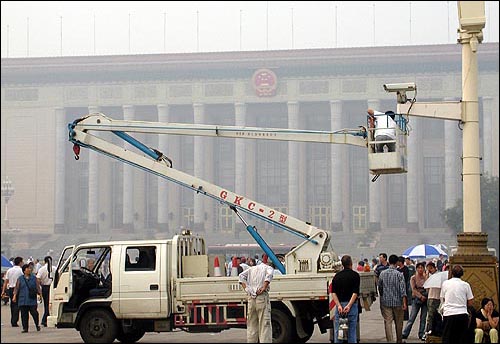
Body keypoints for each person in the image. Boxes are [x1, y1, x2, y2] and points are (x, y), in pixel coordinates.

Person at [239, 258, 274, 343]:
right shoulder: (268, 268)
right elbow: (269, 276)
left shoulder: (251, 269)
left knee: (251, 325)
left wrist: (247, 289)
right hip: (261, 297)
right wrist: (264, 287)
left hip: (251, 298)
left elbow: (241, 276)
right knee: (264, 325)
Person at [440, 264, 474, 344]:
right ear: (462, 274)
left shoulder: (445, 284)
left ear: (452, 273)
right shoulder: (466, 285)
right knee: (461, 339)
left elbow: (443, 298)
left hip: (448, 313)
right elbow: (470, 302)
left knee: (448, 338)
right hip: (462, 313)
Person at [378, 254, 408, 343]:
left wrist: (382, 296)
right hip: (398, 302)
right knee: (399, 323)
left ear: (389, 262)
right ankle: (399, 340)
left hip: (386, 302)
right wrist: (404, 303)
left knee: (388, 322)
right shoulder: (399, 274)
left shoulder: (382, 274)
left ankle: (390, 341)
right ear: (396, 263)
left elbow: (380, 287)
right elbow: (403, 290)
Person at [331, 255, 360, 343]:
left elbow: (333, 293)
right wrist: (349, 305)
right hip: (351, 307)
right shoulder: (355, 275)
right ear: (351, 263)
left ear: (342, 264)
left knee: (338, 333)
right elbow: (355, 293)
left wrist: (339, 305)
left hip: (339, 307)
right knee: (352, 332)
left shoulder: (337, 276)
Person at [402, 262, 429, 341]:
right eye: (419, 267)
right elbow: (413, 289)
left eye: (422, 267)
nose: (420, 269)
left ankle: (421, 333)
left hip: (425, 299)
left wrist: (426, 277)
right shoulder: (413, 278)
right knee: (412, 317)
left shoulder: (426, 277)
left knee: (423, 318)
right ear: (416, 269)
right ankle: (405, 333)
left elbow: (428, 287)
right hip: (416, 299)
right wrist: (420, 296)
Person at [13, 264, 42, 333]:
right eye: (27, 269)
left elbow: (37, 286)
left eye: (30, 268)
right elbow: (17, 288)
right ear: (24, 270)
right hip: (23, 299)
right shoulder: (20, 278)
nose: (29, 270)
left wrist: (40, 294)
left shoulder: (34, 278)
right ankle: (25, 328)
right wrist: (14, 296)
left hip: (32, 299)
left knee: (34, 313)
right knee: (24, 314)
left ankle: (37, 324)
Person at [1, 256, 24, 327]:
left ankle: (13, 320)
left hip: (10, 288)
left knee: (12, 305)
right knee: (18, 305)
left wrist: (3, 291)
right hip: (18, 289)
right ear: (20, 262)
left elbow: (6, 281)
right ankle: (15, 320)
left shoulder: (9, 270)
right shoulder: (21, 271)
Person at [424, 261, 441, 339]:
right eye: (428, 268)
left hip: (438, 297)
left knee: (437, 316)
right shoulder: (429, 277)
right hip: (431, 297)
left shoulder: (439, 276)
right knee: (430, 316)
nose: (430, 270)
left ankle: (434, 330)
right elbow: (426, 289)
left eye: (431, 268)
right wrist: (427, 277)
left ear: (435, 268)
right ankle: (428, 330)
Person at [36, 256, 52, 327]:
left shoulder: (41, 269)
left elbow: (38, 279)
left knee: (46, 304)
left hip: (45, 287)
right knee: (51, 303)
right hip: (52, 287)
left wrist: (40, 286)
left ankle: (45, 319)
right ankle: (46, 318)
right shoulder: (54, 268)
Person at [396, 256, 411, 320]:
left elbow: (407, 278)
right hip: (398, 287)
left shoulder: (405, 269)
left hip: (404, 286)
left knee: (405, 300)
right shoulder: (397, 270)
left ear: (400, 262)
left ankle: (405, 316)